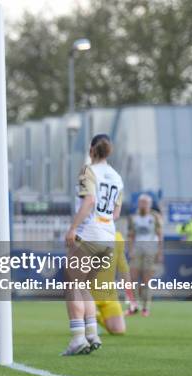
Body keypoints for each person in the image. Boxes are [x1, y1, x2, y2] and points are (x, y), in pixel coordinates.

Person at [63, 134, 123, 356]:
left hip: (89, 233)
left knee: (72, 285)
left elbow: (89, 201)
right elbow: (116, 213)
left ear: (91, 150)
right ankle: (91, 334)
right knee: (84, 285)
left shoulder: (88, 171)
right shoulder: (117, 177)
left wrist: (73, 228)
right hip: (108, 237)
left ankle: (78, 338)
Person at [126, 194, 163, 317]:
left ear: (150, 204)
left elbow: (160, 235)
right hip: (137, 251)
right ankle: (134, 306)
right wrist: (130, 250)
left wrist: (159, 252)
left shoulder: (155, 217)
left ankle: (146, 307)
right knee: (132, 279)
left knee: (146, 281)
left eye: (145, 203)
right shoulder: (133, 217)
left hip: (150, 251)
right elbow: (131, 235)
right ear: (138, 204)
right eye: (141, 202)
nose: (143, 205)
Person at [92, 231, 131, 334]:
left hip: (109, 294)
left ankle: (95, 317)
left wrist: (130, 293)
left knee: (119, 331)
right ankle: (85, 316)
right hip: (88, 294)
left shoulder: (117, 236)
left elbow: (122, 264)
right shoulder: (85, 234)